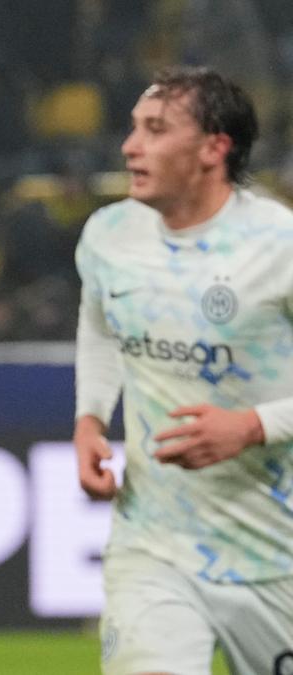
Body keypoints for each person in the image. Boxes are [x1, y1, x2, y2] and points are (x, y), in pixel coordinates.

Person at [74, 65, 293, 674]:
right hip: (154, 546)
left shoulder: (279, 245)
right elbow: (100, 328)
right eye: (133, 127)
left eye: (155, 129)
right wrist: (90, 419)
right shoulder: (109, 236)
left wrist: (251, 426)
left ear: (213, 148)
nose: (130, 146)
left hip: (275, 553)